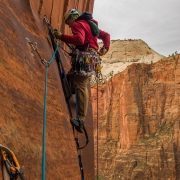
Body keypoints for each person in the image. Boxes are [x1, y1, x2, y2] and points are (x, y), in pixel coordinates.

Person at [54, 9, 110, 133]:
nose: (68, 24)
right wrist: (105, 48)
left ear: (73, 17)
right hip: (91, 58)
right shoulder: (91, 25)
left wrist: (61, 36)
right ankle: (72, 90)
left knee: (81, 84)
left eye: (68, 20)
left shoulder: (78, 24)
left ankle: (80, 120)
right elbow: (106, 35)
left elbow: (79, 39)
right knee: (73, 77)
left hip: (84, 58)